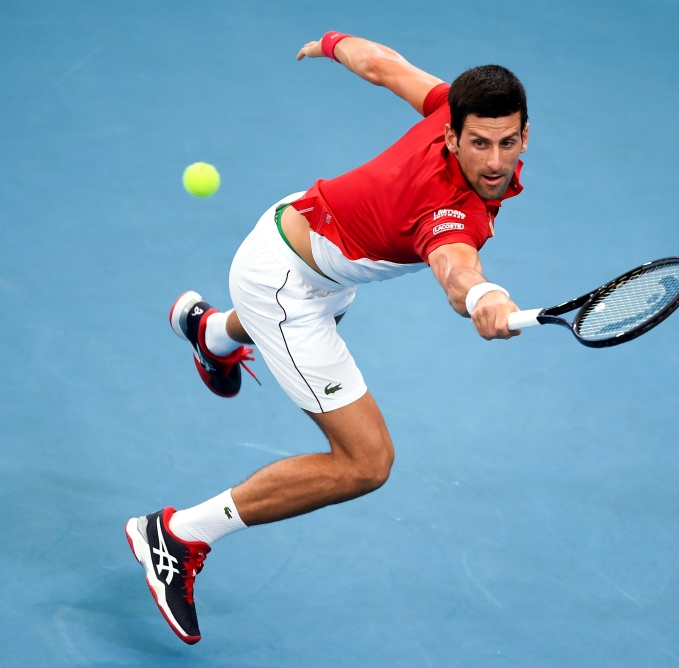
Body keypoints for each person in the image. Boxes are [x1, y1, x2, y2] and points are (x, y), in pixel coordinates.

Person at [125, 31, 529, 644]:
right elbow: (456, 265)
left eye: (507, 142)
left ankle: (211, 331)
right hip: (285, 288)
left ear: (525, 135)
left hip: (304, 230)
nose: (495, 161)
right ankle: (177, 535)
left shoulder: (449, 107)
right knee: (367, 463)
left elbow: (386, 67)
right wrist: (484, 298)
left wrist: (332, 42)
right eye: (479, 143)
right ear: (452, 135)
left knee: (334, 304)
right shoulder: (449, 214)